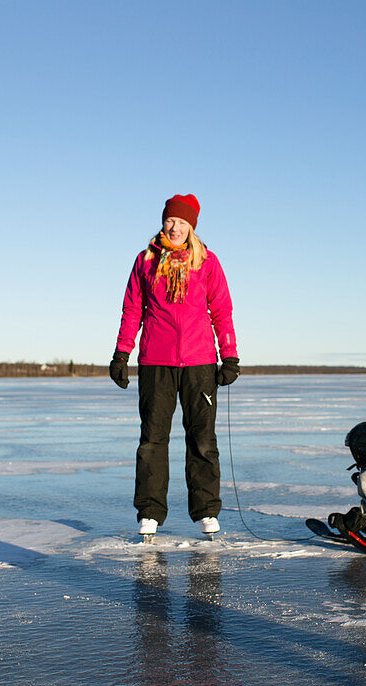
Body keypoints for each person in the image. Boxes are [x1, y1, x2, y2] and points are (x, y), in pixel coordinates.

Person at [110, 194, 239, 541]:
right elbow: (132, 310)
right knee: (152, 440)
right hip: (156, 362)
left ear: (191, 226)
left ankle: (207, 511)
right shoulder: (145, 261)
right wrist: (122, 354)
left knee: (202, 440)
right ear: (163, 221)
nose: (175, 227)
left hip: (199, 363)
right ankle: (150, 512)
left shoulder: (207, 262)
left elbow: (221, 311)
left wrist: (229, 356)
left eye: (182, 222)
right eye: (171, 221)